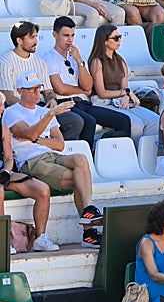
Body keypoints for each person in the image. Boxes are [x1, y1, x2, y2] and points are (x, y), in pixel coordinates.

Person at [4, 72, 102, 237]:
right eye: (31, 89)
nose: (37, 92)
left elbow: (60, 144)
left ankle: (88, 209)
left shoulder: (43, 110)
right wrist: (49, 115)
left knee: (80, 159)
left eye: (38, 88)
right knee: (80, 178)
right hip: (31, 161)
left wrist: (38, 139)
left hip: (50, 155)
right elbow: (28, 133)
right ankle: (89, 230)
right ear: (20, 90)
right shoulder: (12, 112)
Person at [47, 15, 135, 143]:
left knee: (123, 120)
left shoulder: (76, 56)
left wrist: (79, 61)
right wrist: (81, 90)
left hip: (83, 103)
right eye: (66, 35)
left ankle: (109, 152)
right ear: (55, 34)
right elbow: (60, 89)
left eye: (72, 35)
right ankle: (88, 157)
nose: (70, 40)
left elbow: (88, 86)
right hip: (65, 103)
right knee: (89, 121)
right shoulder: (49, 58)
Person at [0, 20, 91, 143]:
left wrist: (52, 99)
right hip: (18, 110)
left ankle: (62, 154)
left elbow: (48, 91)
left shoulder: (39, 62)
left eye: (36, 37)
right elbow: (8, 97)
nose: (36, 41)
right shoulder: (6, 61)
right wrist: (32, 108)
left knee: (75, 121)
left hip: (40, 108)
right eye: (32, 37)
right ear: (19, 40)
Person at [87, 24, 160, 141]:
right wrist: (123, 93)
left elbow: (125, 87)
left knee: (155, 120)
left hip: (119, 99)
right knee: (135, 123)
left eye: (120, 37)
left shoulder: (120, 61)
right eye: (115, 38)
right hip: (103, 102)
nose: (119, 40)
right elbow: (102, 93)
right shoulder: (97, 62)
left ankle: (145, 152)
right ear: (105, 41)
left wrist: (125, 96)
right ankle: (133, 152)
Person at [0, 94, 53, 252]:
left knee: (42, 189)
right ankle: (4, 241)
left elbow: (9, 158)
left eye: (3, 104)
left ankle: (41, 238)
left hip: (3, 172)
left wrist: (6, 172)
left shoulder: (3, 129)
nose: (3, 109)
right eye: (0, 105)